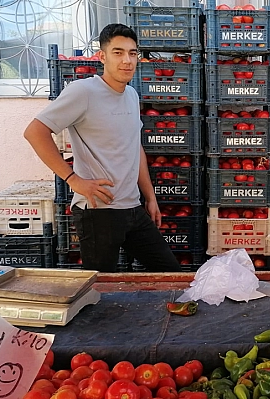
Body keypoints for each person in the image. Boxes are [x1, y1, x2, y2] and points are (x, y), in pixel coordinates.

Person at [24, 23, 181, 273]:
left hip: (132, 207)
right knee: (100, 286)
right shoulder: (83, 91)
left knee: (169, 273)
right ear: (102, 56)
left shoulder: (131, 94)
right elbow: (35, 132)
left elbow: (134, 146)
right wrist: (73, 180)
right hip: (98, 212)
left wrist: (150, 197)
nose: (127, 60)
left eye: (132, 53)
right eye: (118, 52)